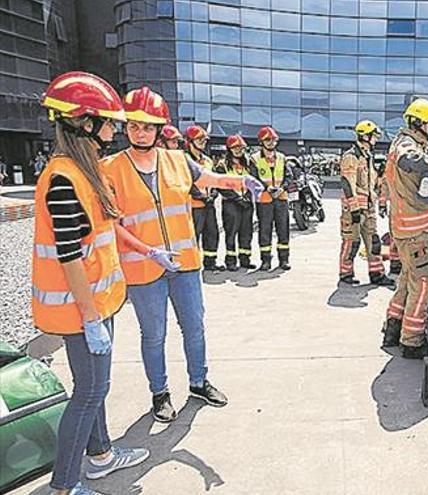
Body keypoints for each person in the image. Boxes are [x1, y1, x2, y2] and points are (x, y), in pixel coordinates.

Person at [102, 86, 263, 423]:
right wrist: (148, 251)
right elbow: (112, 225)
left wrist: (240, 181)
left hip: (185, 263)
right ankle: (159, 394)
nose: (140, 132)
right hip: (145, 267)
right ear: (126, 127)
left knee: (194, 326)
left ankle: (198, 381)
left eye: (147, 126)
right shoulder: (111, 168)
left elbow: (208, 177)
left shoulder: (177, 160)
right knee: (154, 334)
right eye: (133, 125)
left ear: (159, 129)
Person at [34, 71, 149, 495]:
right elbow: (68, 256)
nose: (114, 130)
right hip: (79, 309)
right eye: (108, 122)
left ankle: (100, 457)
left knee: (95, 386)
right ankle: (65, 485)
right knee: (89, 392)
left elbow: (98, 237)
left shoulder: (86, 171)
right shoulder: (64, 178)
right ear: (84, 122)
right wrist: (89, 317)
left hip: (98, 303)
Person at [381, 98, 428, 359]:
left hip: (404, 229)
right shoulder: (406, 145)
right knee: (423, 283)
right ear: (421, 123)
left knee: (407, 280)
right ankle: (412, 341)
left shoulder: (400, 142)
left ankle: (393, 327)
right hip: (416, 231)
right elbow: (408, 160)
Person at [338, 120, 395, 286]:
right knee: (352, 242)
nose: (376, 139)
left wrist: (381, 173)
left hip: (369, 209)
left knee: (374, 242)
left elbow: (371, 184)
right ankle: (345, 273)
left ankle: (377, 274)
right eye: (374, 136)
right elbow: (347, 183)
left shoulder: (367, 157)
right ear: (365, 136)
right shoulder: (351, 156)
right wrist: (354, 208)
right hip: (354, 210)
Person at [182, 125, 222, 271]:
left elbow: (214, 180)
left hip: (209, 204)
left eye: (204, 140)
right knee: (193, 236)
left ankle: (210, 262)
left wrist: (212, 195)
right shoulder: (183, 159)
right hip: (194, 206)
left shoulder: (208, 161)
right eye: (199, 140)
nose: (203, 143)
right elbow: (186, 183)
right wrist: (200, 196)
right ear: (189, 142)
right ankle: (193, 264)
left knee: (212, 233)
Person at [251, 125, 292, 271]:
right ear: (261, 142)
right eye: (267, 140)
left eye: (273, 139)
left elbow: (289, 177)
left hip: (281, 198)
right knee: (265, 230)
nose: (270, 142)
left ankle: (284, 260)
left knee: (283, 230)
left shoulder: (282, 157)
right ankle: (266, 261)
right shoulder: (254, 159)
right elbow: (253, 178)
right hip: (264, 200)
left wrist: (282, 188)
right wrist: (267, 188)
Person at [216, 134, 256, 271]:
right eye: (235, 148)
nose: (239, 150)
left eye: (241, 148)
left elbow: (254, 183)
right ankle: (231, 261)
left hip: (246, 203)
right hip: (231, 204)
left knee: (247, 232)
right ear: (229, 149)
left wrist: (248, 198)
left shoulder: (248, 164)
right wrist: (237, 199)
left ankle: (245, 260)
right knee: (231, 233)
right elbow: (220, 185)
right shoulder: (222, 165)